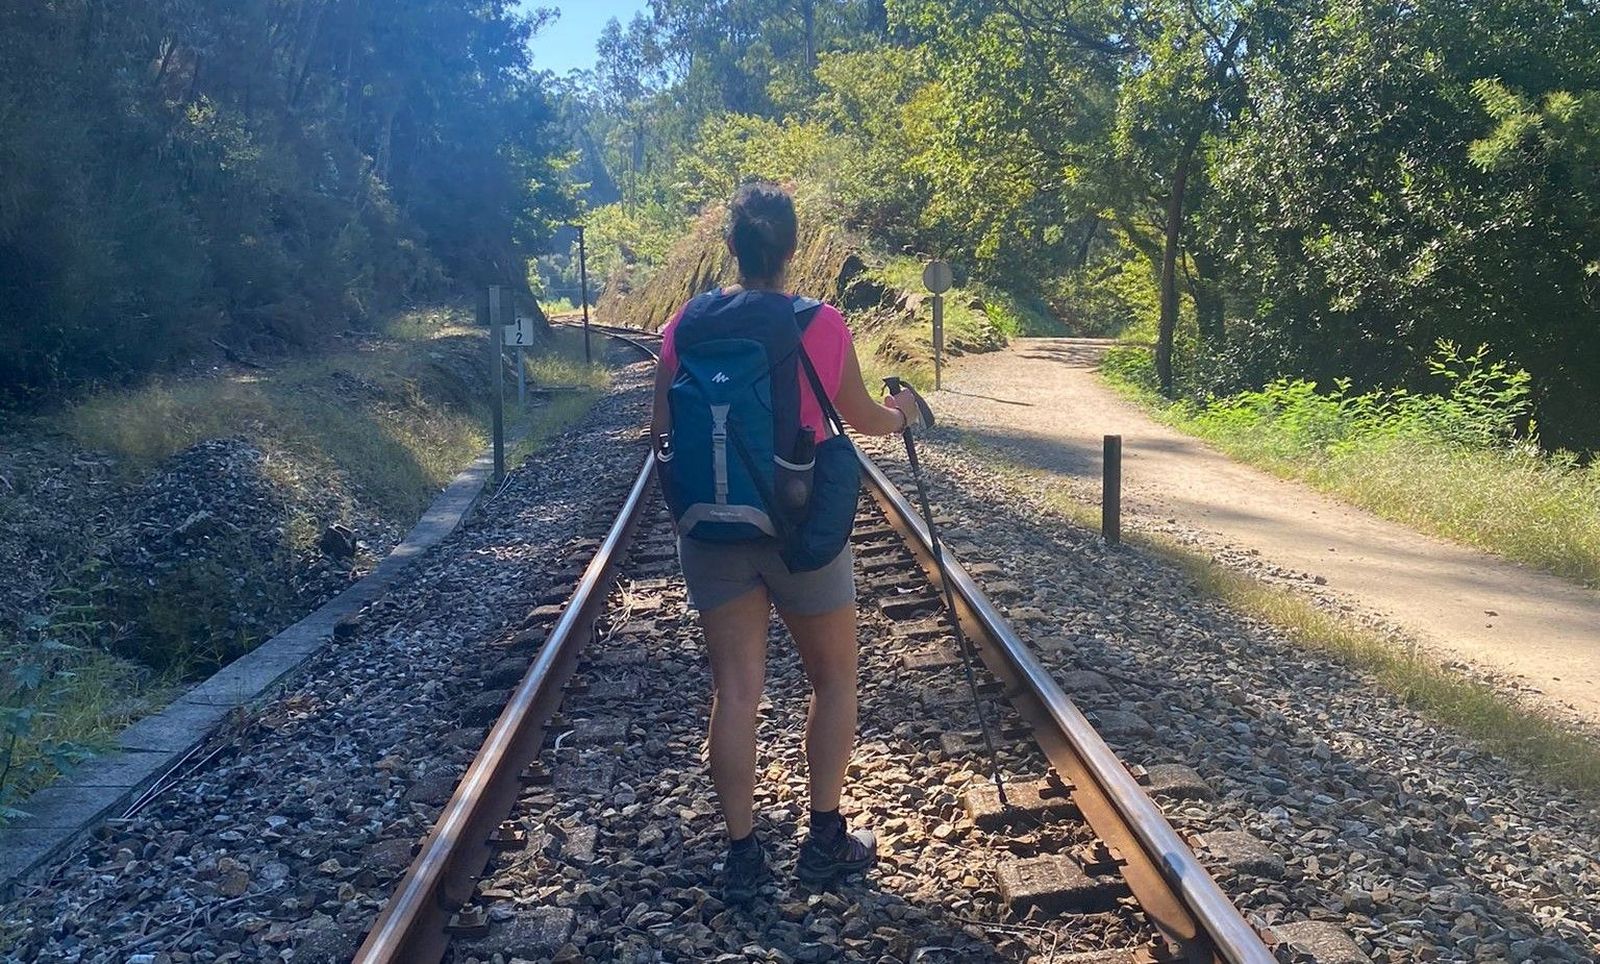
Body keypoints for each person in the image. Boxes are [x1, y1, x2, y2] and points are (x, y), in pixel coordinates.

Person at [650, 181, 926, 903]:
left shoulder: (684, 324)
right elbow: (862, 417)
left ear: (732, 248)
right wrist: (902, 417)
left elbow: (660, 432)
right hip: (801, 530)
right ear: (794, 249)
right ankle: (824, 839)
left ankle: (743, 858)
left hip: (713, 529)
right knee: (833, 679)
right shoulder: (822, 323)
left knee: (735, 690)